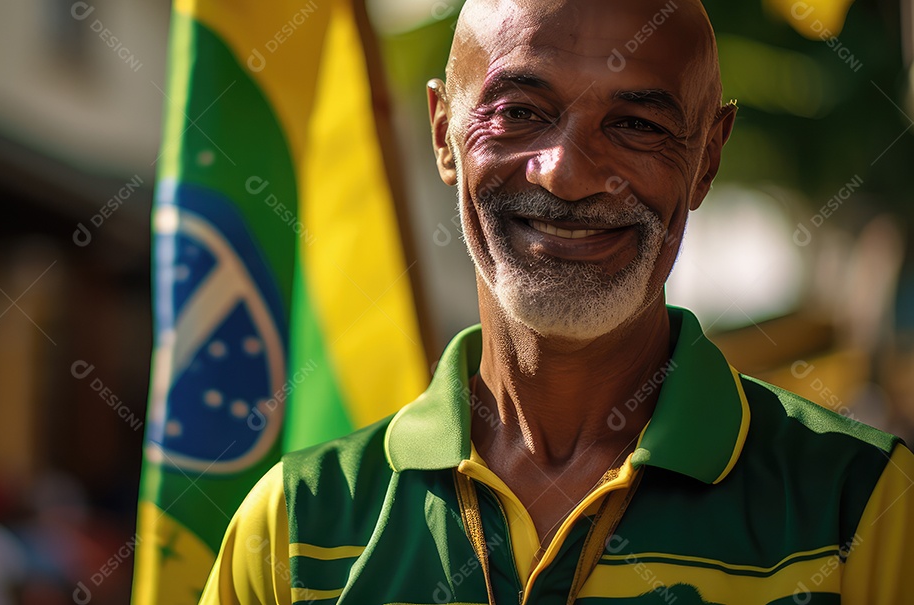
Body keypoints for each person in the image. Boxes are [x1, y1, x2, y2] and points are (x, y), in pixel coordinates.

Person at [199, 0, 914, 602]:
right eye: (518, 112)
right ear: (444, 131)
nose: (568, 174)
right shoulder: (291, 532)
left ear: (708, 158)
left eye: (637, 125)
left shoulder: (868, 511)